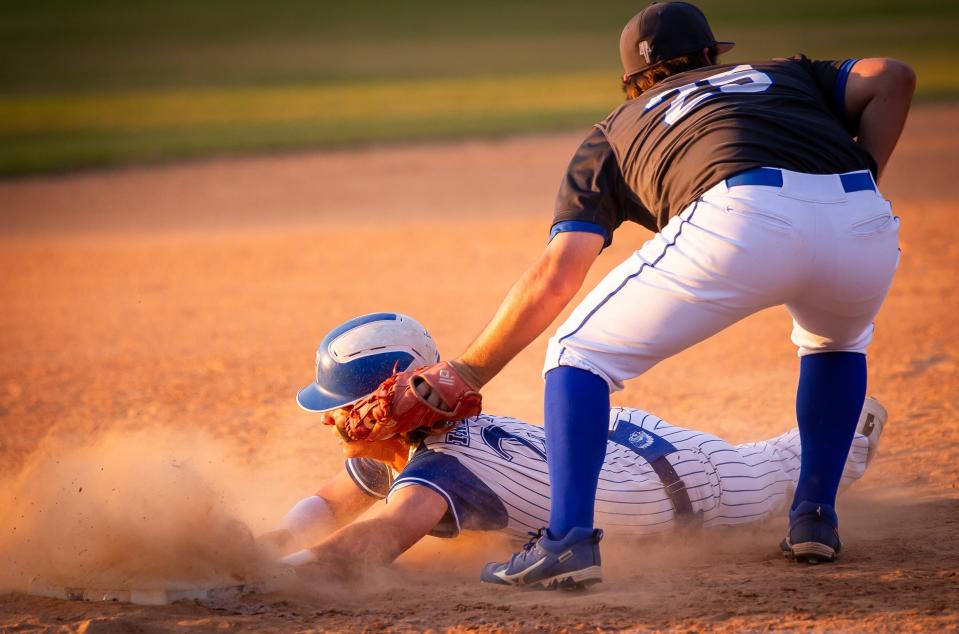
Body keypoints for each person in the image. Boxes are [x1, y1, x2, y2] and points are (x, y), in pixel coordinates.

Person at [358, 1, 914, 587]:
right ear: (708, 55)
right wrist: (856, 181)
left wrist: (467, 372)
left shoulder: (614, 132)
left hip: (742, 214)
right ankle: (815, 519)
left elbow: (557, 276)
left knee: (578, 353)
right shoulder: (787, 72)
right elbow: (894, 76)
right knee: (835, 342)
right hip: (862, 219)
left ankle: (566, 542)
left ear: (633, 84)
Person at [262, 313, 888, 589]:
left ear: (396, 402)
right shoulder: (404, 448)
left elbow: (377, 540)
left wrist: (272, 578)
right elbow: (331, 499)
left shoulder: (440, 471)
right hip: (612, 444)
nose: (337, 420)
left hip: (691, 481)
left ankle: (852, 420)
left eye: (344, 405)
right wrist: (266, 546)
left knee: (797, 464)